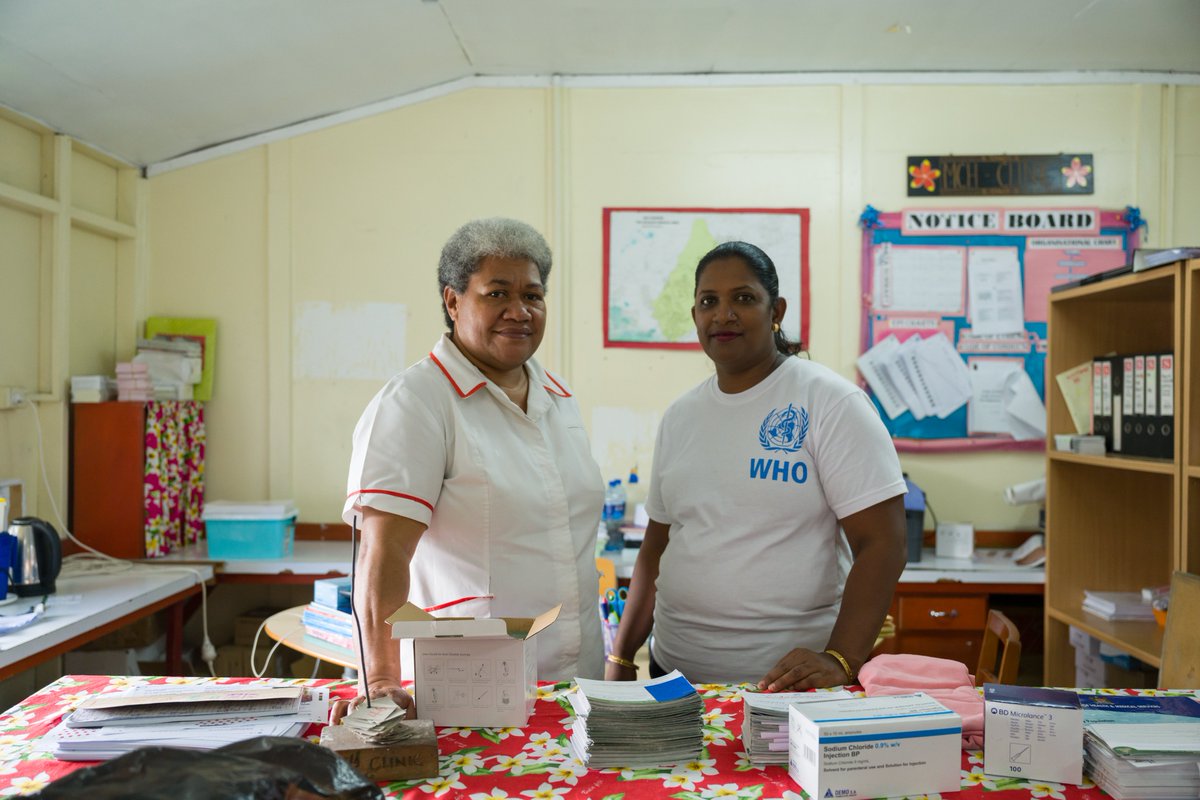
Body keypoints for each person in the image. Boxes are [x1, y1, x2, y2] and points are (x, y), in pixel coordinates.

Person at [334, 217, 604, 721]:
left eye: (534, 295)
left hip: (576, 681)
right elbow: (383, 551)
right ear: (453, 301)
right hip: (467, 686)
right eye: (496, 293)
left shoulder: (559, 399)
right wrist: (381, 680)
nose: (519, 311)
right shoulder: (417, 402)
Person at [605, 241, 906, 690]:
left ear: (776, 310)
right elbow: (656, 548)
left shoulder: (830, 402)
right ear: (694, 317)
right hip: (673, 676)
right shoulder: (681, 417)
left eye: (743, 298)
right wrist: (623, 654)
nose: (723, 314)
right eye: (709, 301)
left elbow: (884, 543)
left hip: (784, 686)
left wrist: (840, 659)